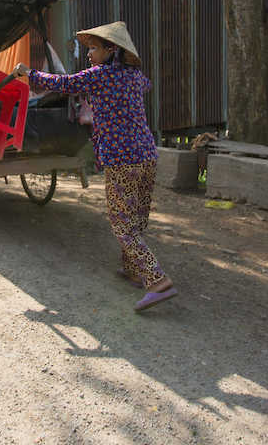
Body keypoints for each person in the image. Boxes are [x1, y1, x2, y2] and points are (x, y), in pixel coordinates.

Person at [10, 21, 176, 312]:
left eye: (94, 48)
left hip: (122, 159)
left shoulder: (99, 76)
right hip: (147, 155)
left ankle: (157, 279)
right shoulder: (136, 77)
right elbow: (145, 85)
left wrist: (28, 72)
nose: (89, 54)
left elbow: (62, 84)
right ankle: (133, 269)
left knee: (121, 223)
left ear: (112, 50)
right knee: (135, 218)